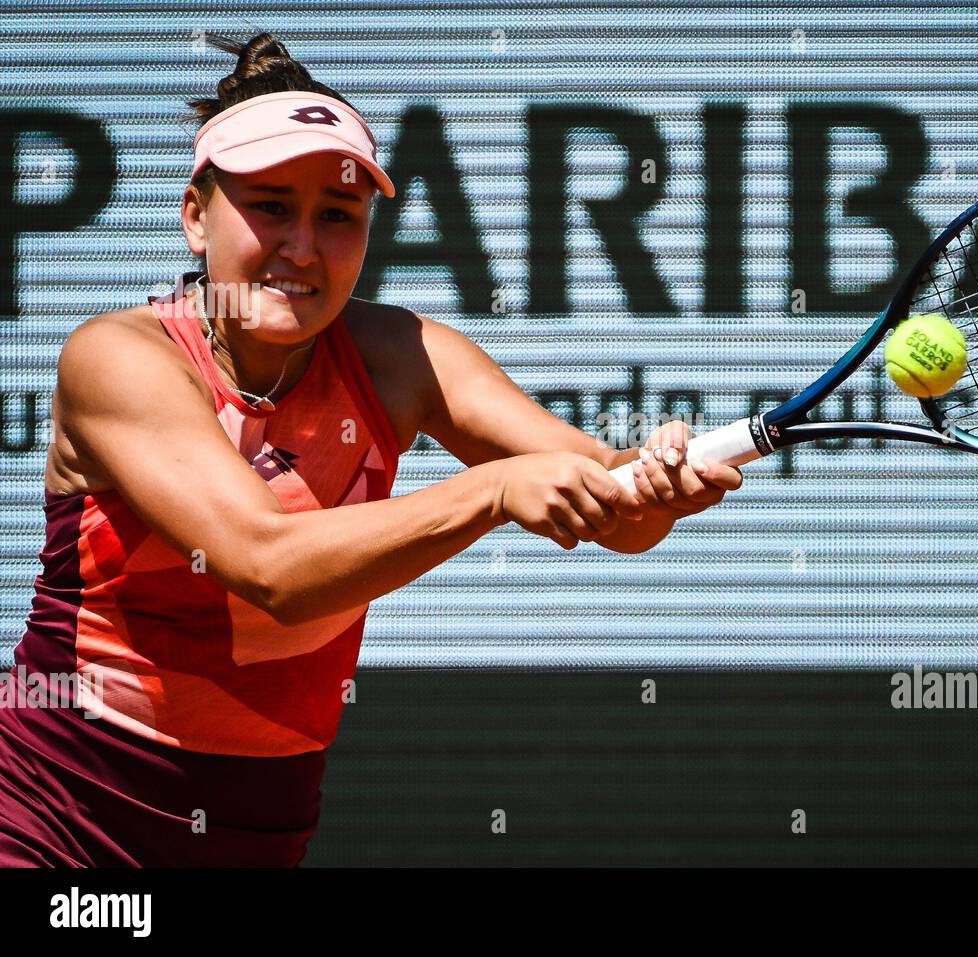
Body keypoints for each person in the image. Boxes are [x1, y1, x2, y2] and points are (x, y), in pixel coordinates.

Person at [0, 32, 742, 867]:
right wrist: (493, 491)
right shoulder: (119, 358)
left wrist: (655, 488)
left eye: (339, 215)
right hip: (51, 821)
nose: (304, 247)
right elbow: (267, 565)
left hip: (259, 837)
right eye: (271, 205)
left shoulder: (401, 355)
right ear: (195, 217)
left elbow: (618, 516)